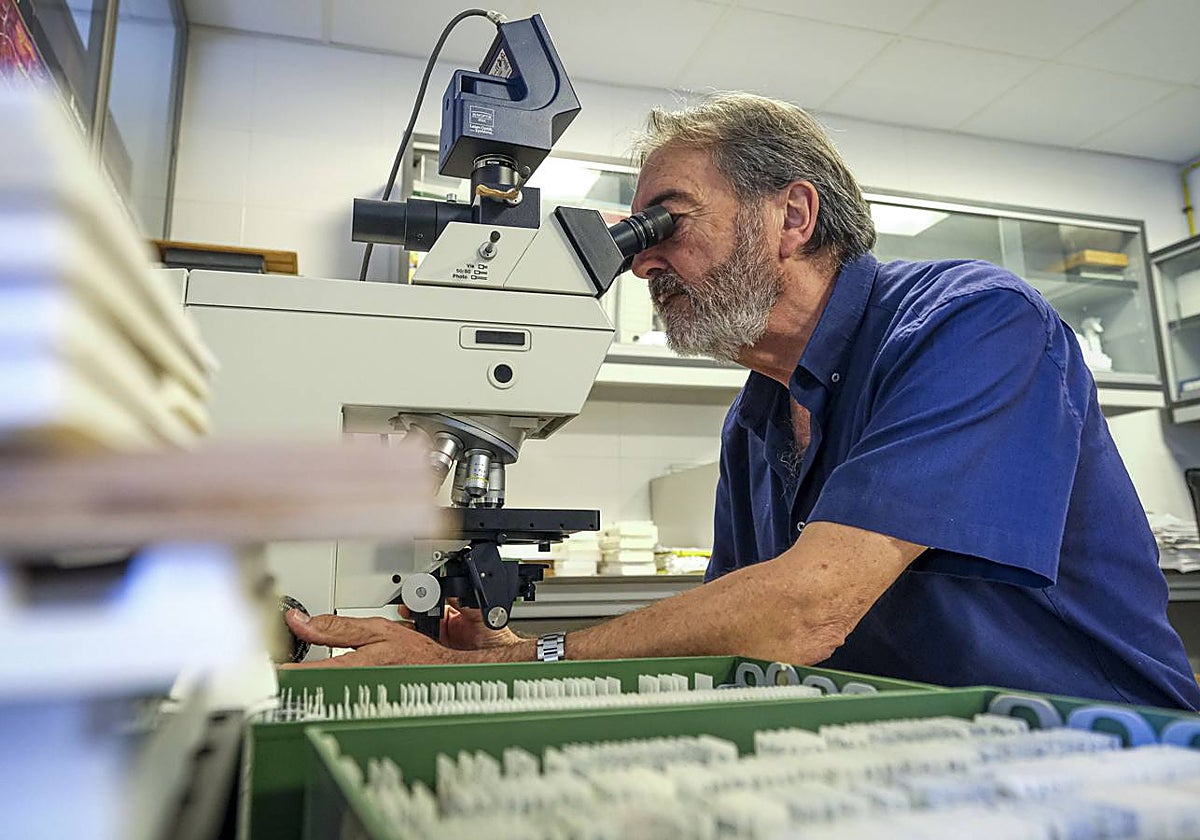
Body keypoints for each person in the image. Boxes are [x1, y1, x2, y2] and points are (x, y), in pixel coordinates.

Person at [286, 92, 1200, 710]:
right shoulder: (756, 418)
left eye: (665, 222)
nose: (639, 259)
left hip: (1098, 751)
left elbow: (804, 610)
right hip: (917, 753)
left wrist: (540, 660)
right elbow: (738, 631)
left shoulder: (974, 324)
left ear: (791, 217)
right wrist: (511, 672)